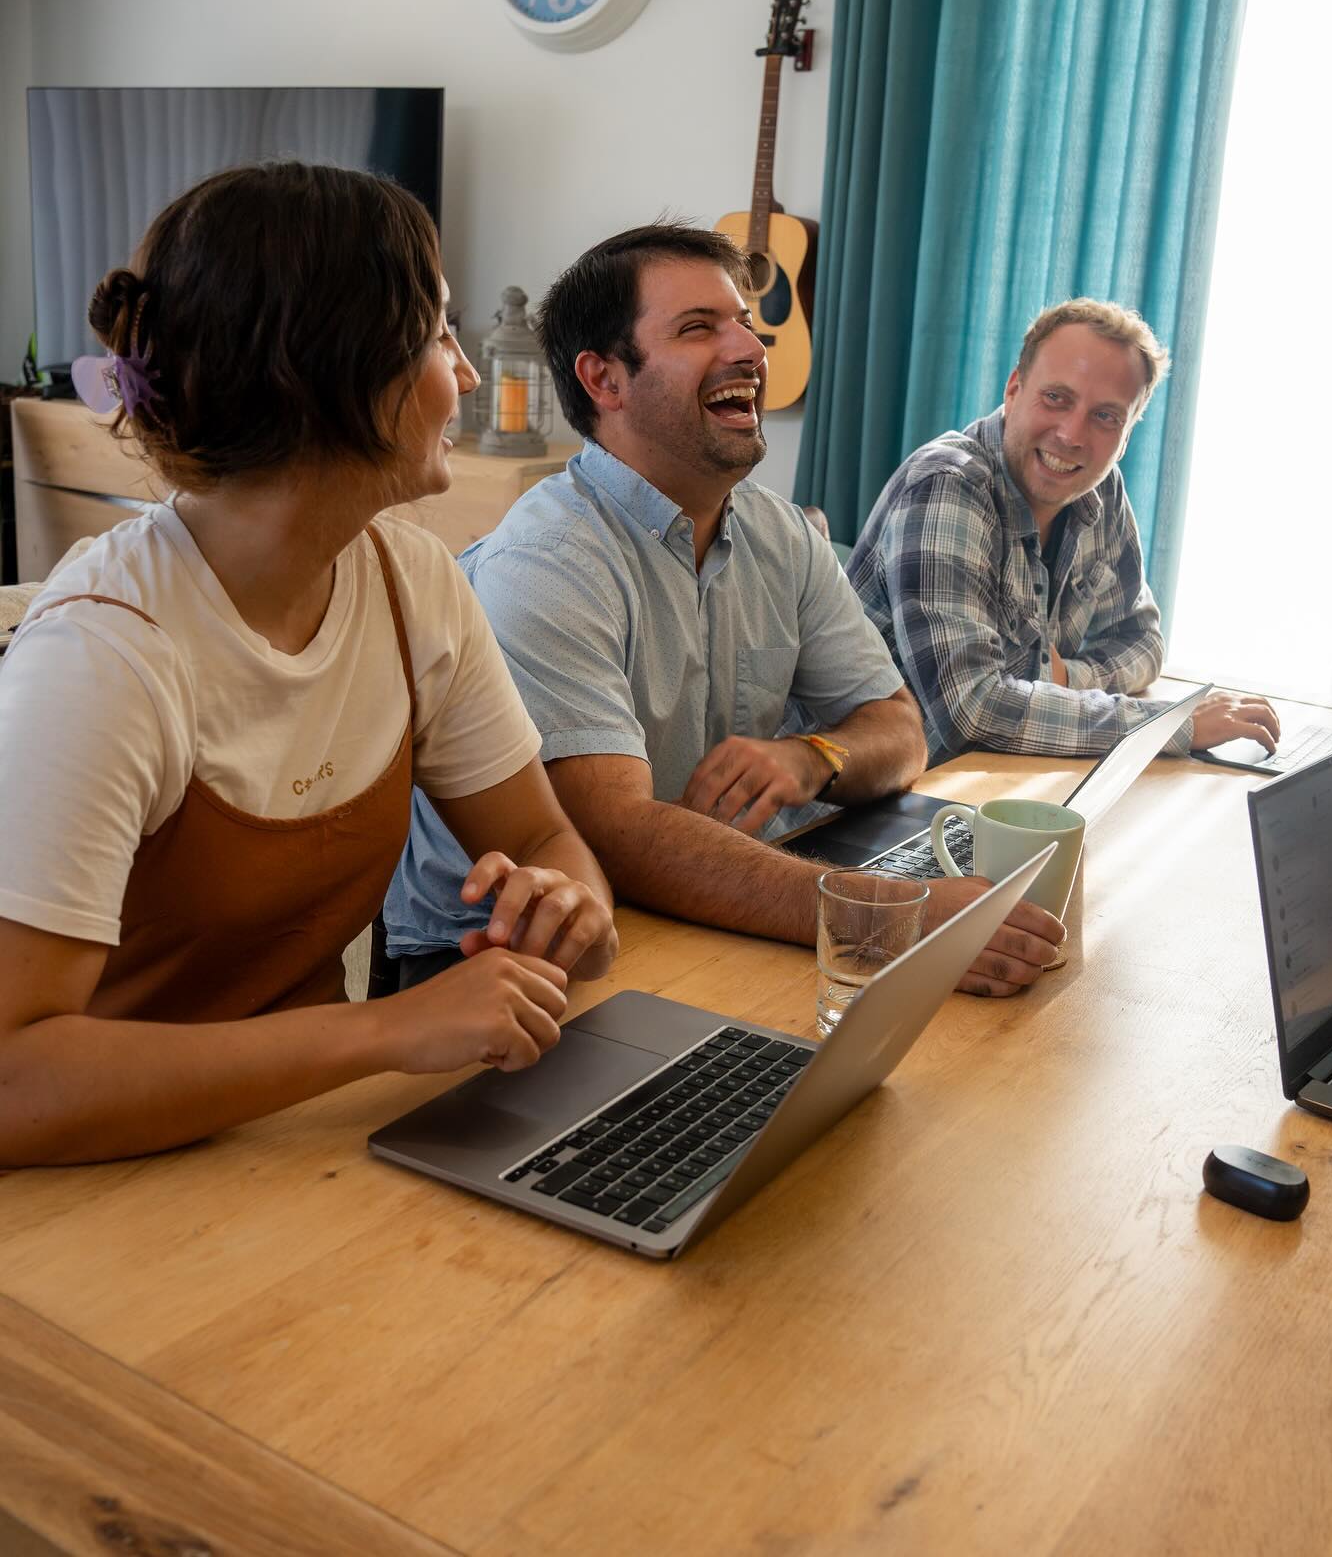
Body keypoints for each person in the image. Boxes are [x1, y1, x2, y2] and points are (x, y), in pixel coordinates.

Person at [0, 162, 616, 1168]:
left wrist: (567, 909)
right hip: (96, 1190)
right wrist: (387, 1030)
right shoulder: (103, 656)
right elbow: (13, 1085)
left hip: (299, 1152)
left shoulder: (414, 585)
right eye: (437, 336)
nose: (464, 373)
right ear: (328, 372)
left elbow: (549, 838)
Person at [388, 223, 1064, 994]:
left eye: (745, 320)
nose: (749, 349)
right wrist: (885, 913)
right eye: (699, 328)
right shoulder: (545, 564)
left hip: (698, 913)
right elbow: (617, 833)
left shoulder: (779, 530)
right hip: (495, 966)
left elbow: (900, 732)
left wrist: (813, 756)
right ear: (604, 379)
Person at [847, 298, 1281, 759]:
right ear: (1013, 389)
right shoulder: (947, 487)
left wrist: (1065, 678)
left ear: (1127, 434)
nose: (1073, 435)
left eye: (1106, 417)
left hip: (992, 788)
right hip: (865, 812)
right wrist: (1171, 725)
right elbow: (972, 712)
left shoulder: (1100, 486)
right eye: (1057, 398)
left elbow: (1143, 643)